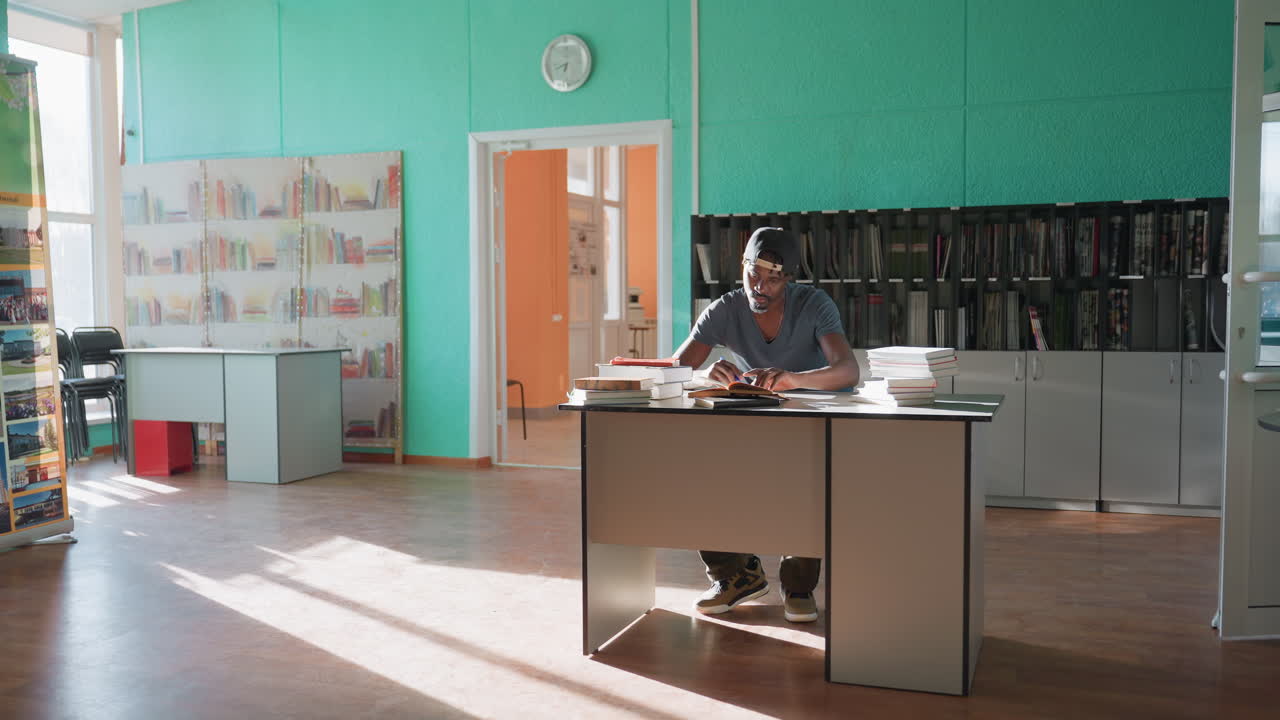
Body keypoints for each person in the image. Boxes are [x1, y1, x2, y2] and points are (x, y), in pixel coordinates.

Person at [672, 226, 859, 623]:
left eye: (774, 278)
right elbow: (674, 371)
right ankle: (736, 576)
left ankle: (798, 585)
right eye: (754, 273)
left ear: (788, 279)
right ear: (742, 266)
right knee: (697, 471)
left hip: (808, 424)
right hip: (750, 424)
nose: (761, 286)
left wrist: (794, 378)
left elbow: (847, 371)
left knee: (809, 484)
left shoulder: (814, 304)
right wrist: (705, 374)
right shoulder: (724, 308)